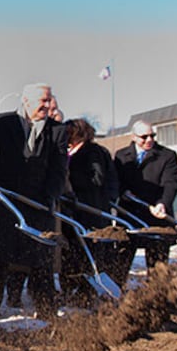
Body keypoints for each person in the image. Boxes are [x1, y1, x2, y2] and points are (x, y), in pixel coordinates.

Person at [0, 83, 68, 320]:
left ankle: (47, 313)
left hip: (39, 207)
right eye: (42, 101)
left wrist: (50, 197)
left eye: (49, 100)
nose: (47, 105)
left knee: (41, 262)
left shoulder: (57, 131)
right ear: (26, 101)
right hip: (7, 205)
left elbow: (58, 169)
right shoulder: (4, 124)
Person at [61, 118, 120, 302]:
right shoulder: (70, 152)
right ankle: (75, 288)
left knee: (90, 253)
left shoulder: (92, 152)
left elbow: (97, 179)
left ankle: (90, 292)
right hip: (73, 211)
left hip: (90, 210)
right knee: (74, 253)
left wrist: (71, 178)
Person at [114, 120, 177, 278]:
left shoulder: (167, 156)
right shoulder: (121, 156)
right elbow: (115, 181)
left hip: (157, 218)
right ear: (134, 137)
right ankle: (115, 297)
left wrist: (163, 203)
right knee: (120, 263)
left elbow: (170, 183)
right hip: (129, 216)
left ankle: (156, 298)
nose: (149, 140)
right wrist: (123, 193)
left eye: (152, 136)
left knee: (158, 268)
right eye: (144, 137)